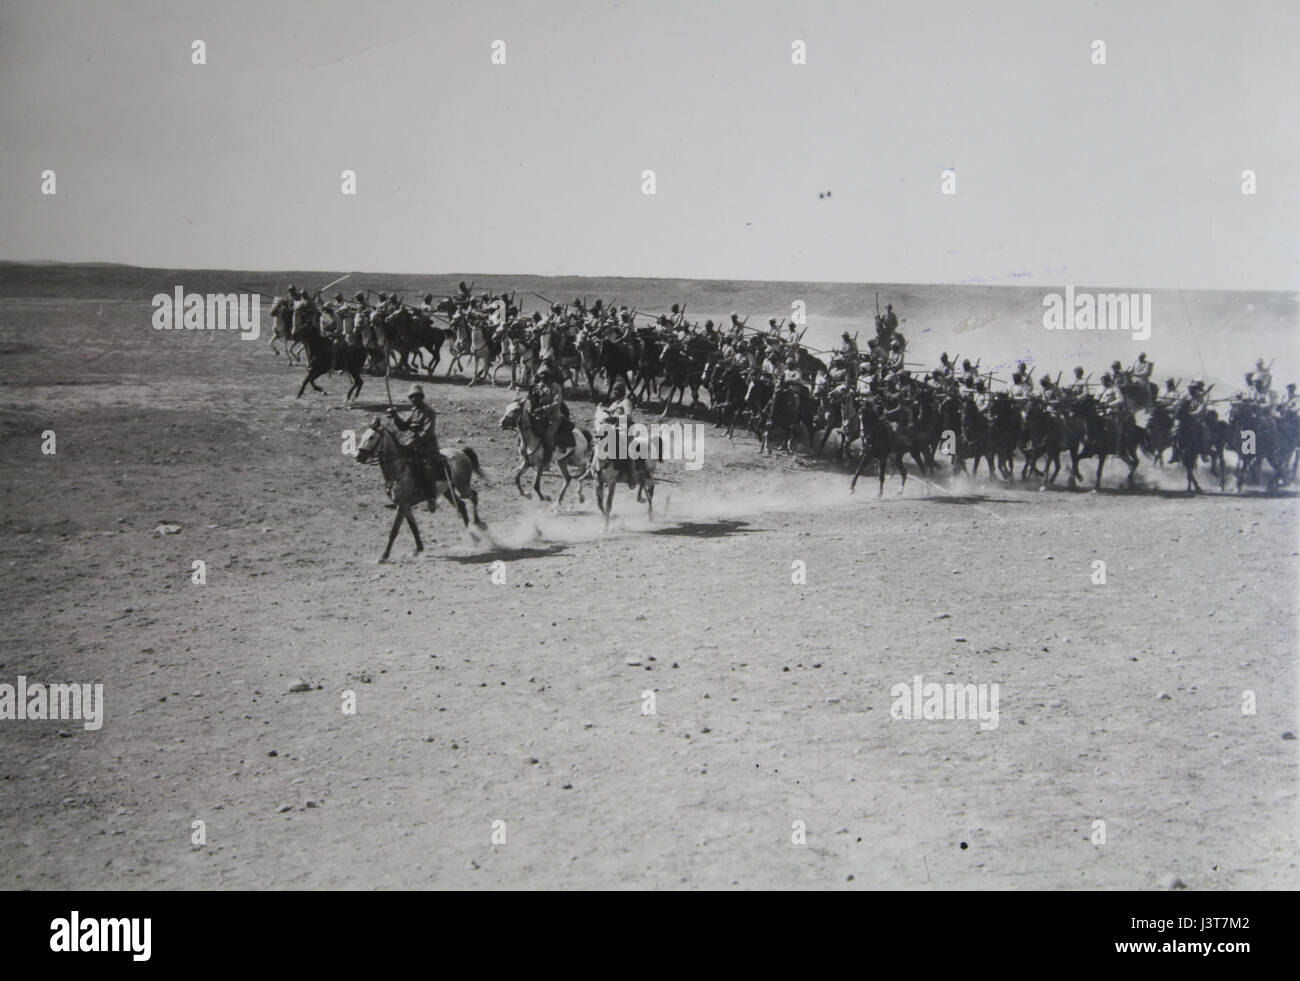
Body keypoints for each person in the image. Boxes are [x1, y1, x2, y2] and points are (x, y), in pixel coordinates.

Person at [388, 384, 441, 511]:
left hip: (427, 447)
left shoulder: (429, 411)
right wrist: (395, 416)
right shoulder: (414, 411)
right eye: (412, 397)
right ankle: (400, 496)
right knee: (401, 466)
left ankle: (431, 499)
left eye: (417, 397)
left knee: (427, 468)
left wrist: (413, 440)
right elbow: (403, 426)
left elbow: (427, 433)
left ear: (422, 397)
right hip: (414, 446)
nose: (414, 399)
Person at [528, 364, 566, 465]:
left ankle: (546, 462)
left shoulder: (556, 387)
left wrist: (543, 409)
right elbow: (533, 401)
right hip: (539, 416)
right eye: (542, 375)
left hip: (553, 418)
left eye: (546, 375)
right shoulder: (538, 387)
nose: (544, 377)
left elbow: (557, 403)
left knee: (548, 436)